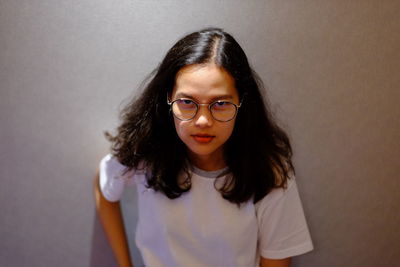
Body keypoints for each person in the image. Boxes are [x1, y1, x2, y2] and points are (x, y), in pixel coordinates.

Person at [94, 27, 313, 267]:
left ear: (242, 103)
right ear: (168, 100)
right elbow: (103, 183)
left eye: (220, 103)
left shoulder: (270, 174)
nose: (203, 121)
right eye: (187, 102)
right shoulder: (145, 153)